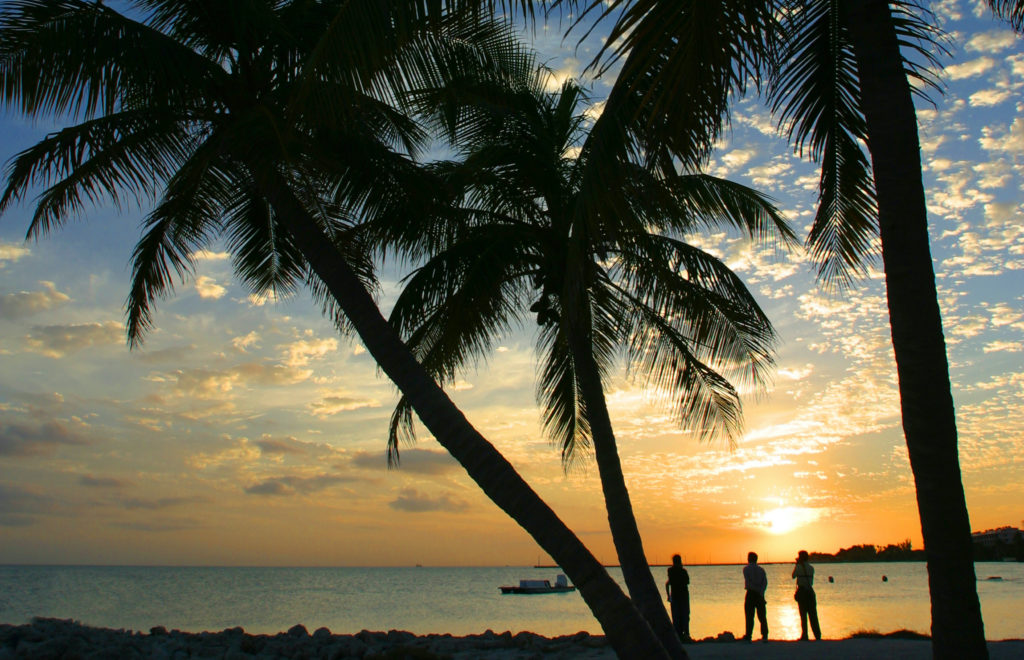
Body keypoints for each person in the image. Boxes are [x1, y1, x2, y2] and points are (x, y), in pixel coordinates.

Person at [792, 550, 821, 641]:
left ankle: (805, 635)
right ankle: (817, 635)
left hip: (802, 591)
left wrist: (797, 565)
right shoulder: (811, 568)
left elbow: (793, 576)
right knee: (813, 615)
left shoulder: (798, 567)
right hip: (810, 591)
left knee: (803, 615)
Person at [742, 551, 768, 642]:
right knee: (762, 616)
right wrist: (761, 593)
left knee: (749, 616)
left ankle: (749, 635)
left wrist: (755, 590)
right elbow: (765, 583)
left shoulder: (746, 569)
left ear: (749, 559)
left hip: (751, 593)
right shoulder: (761, 570)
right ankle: (765, 635)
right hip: (760, 594)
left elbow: (748, 581)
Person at [665, 554, 691, 642]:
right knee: (683, 615)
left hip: (677, 596)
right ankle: (685, 634)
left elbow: (668, 584)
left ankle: (681, 635)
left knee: (678, 616)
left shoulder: (671, 571)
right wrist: (669, 596)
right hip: (681, 596)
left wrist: (668, 596)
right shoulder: (682, 571)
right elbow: (687, 582)